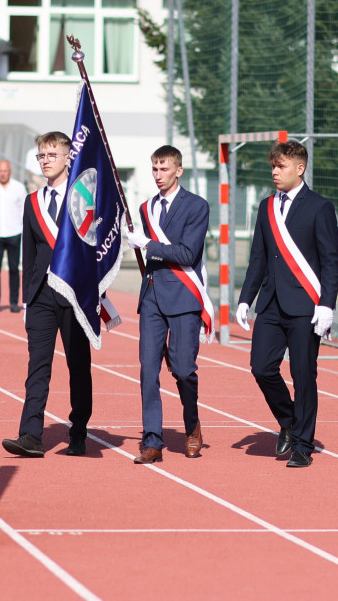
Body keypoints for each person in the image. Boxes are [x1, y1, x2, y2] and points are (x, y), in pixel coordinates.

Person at [235, 140, 338, 468]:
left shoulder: (319, 207)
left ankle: (303, 446)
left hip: (306, 306)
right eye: (273, 166)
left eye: (281, 166)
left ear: (300, 168)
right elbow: (258, 258)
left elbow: (330, 261)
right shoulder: (266, 208)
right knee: (261, 367)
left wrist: (327, 304)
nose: (274, 172)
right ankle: (290, 422)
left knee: (303, 374)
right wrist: (244, 299)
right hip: (270, 304)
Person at [1, 132, 92, 458]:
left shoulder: (83, 198)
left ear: (68, 157)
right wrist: (26, 299)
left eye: (52, 154)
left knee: (78, 367)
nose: (45, 160)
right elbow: (29, 254)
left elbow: (94, 250)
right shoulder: (32, 202)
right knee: (37, 366)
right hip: (41, 295)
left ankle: (78, 433)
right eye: (41, 155)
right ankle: (31, 435)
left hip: (74, 293)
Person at [125, 146, 212, 464]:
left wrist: (148, 244)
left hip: (184, 297)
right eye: (154, 169)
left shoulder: (197, 206)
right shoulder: (145, 208)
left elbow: (188, 254)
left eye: (164, 169)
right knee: (149, 368)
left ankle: (192, 426)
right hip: (151, 297)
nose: (158, 175)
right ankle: (152, 440)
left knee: (184, 369)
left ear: (179, 170)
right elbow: (151, 254)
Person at [0, 159, 26, 313]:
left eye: (5, 171)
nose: (3, 174)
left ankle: (14, 302)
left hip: (14, 232)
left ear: (10, 171)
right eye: (0, 171)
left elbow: (23, 208)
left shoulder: (19, 188)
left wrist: (18, 225)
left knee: (14, 268)